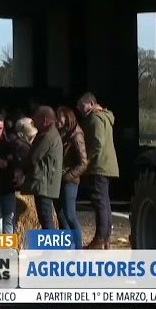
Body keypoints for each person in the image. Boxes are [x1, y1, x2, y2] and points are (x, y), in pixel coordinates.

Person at [77, 92, 119, 249]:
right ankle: (105, 237)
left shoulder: (95, 119)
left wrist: (86, 161)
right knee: (105, 201)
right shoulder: (106, 117)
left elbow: (97, 142)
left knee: (99, 202)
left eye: (82, 106)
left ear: (91, 103)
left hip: (98, 165)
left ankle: (100, 238)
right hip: (108, 164)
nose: (80, 110)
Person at [23, 106, 63, 229]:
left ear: (45, 120)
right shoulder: (52, 134)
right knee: (45, 218)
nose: (34, 123)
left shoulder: (47, 136)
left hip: (44, 185)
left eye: (36, 120)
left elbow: (34, 157)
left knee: (46, 219)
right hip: (46, 183)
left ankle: (51, 247)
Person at [56, 106, 88, 249]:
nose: (57, 120)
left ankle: (78, 248)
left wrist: (68, 176)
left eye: (59, 117)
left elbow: (83, 163)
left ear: (67, 118)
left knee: (70, 214)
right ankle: (67, 246)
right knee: (61, 214)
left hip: (70, 180)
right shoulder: (62, 134)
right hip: (61, 178)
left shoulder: (76, 136)